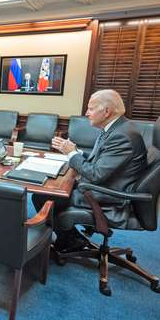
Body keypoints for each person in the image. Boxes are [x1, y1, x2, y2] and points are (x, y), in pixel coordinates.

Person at [32, 89, 147, 251]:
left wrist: (71, 154)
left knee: (43, 196)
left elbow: (96, 174)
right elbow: (102, 160)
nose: (86, 113)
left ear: (106, 111)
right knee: (49, 192)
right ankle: (71, 237)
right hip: (107, 186)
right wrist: (77, 151)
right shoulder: (119, 128)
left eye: (91, 108)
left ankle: (70, 239)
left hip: (109, 196)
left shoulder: (122, 136)